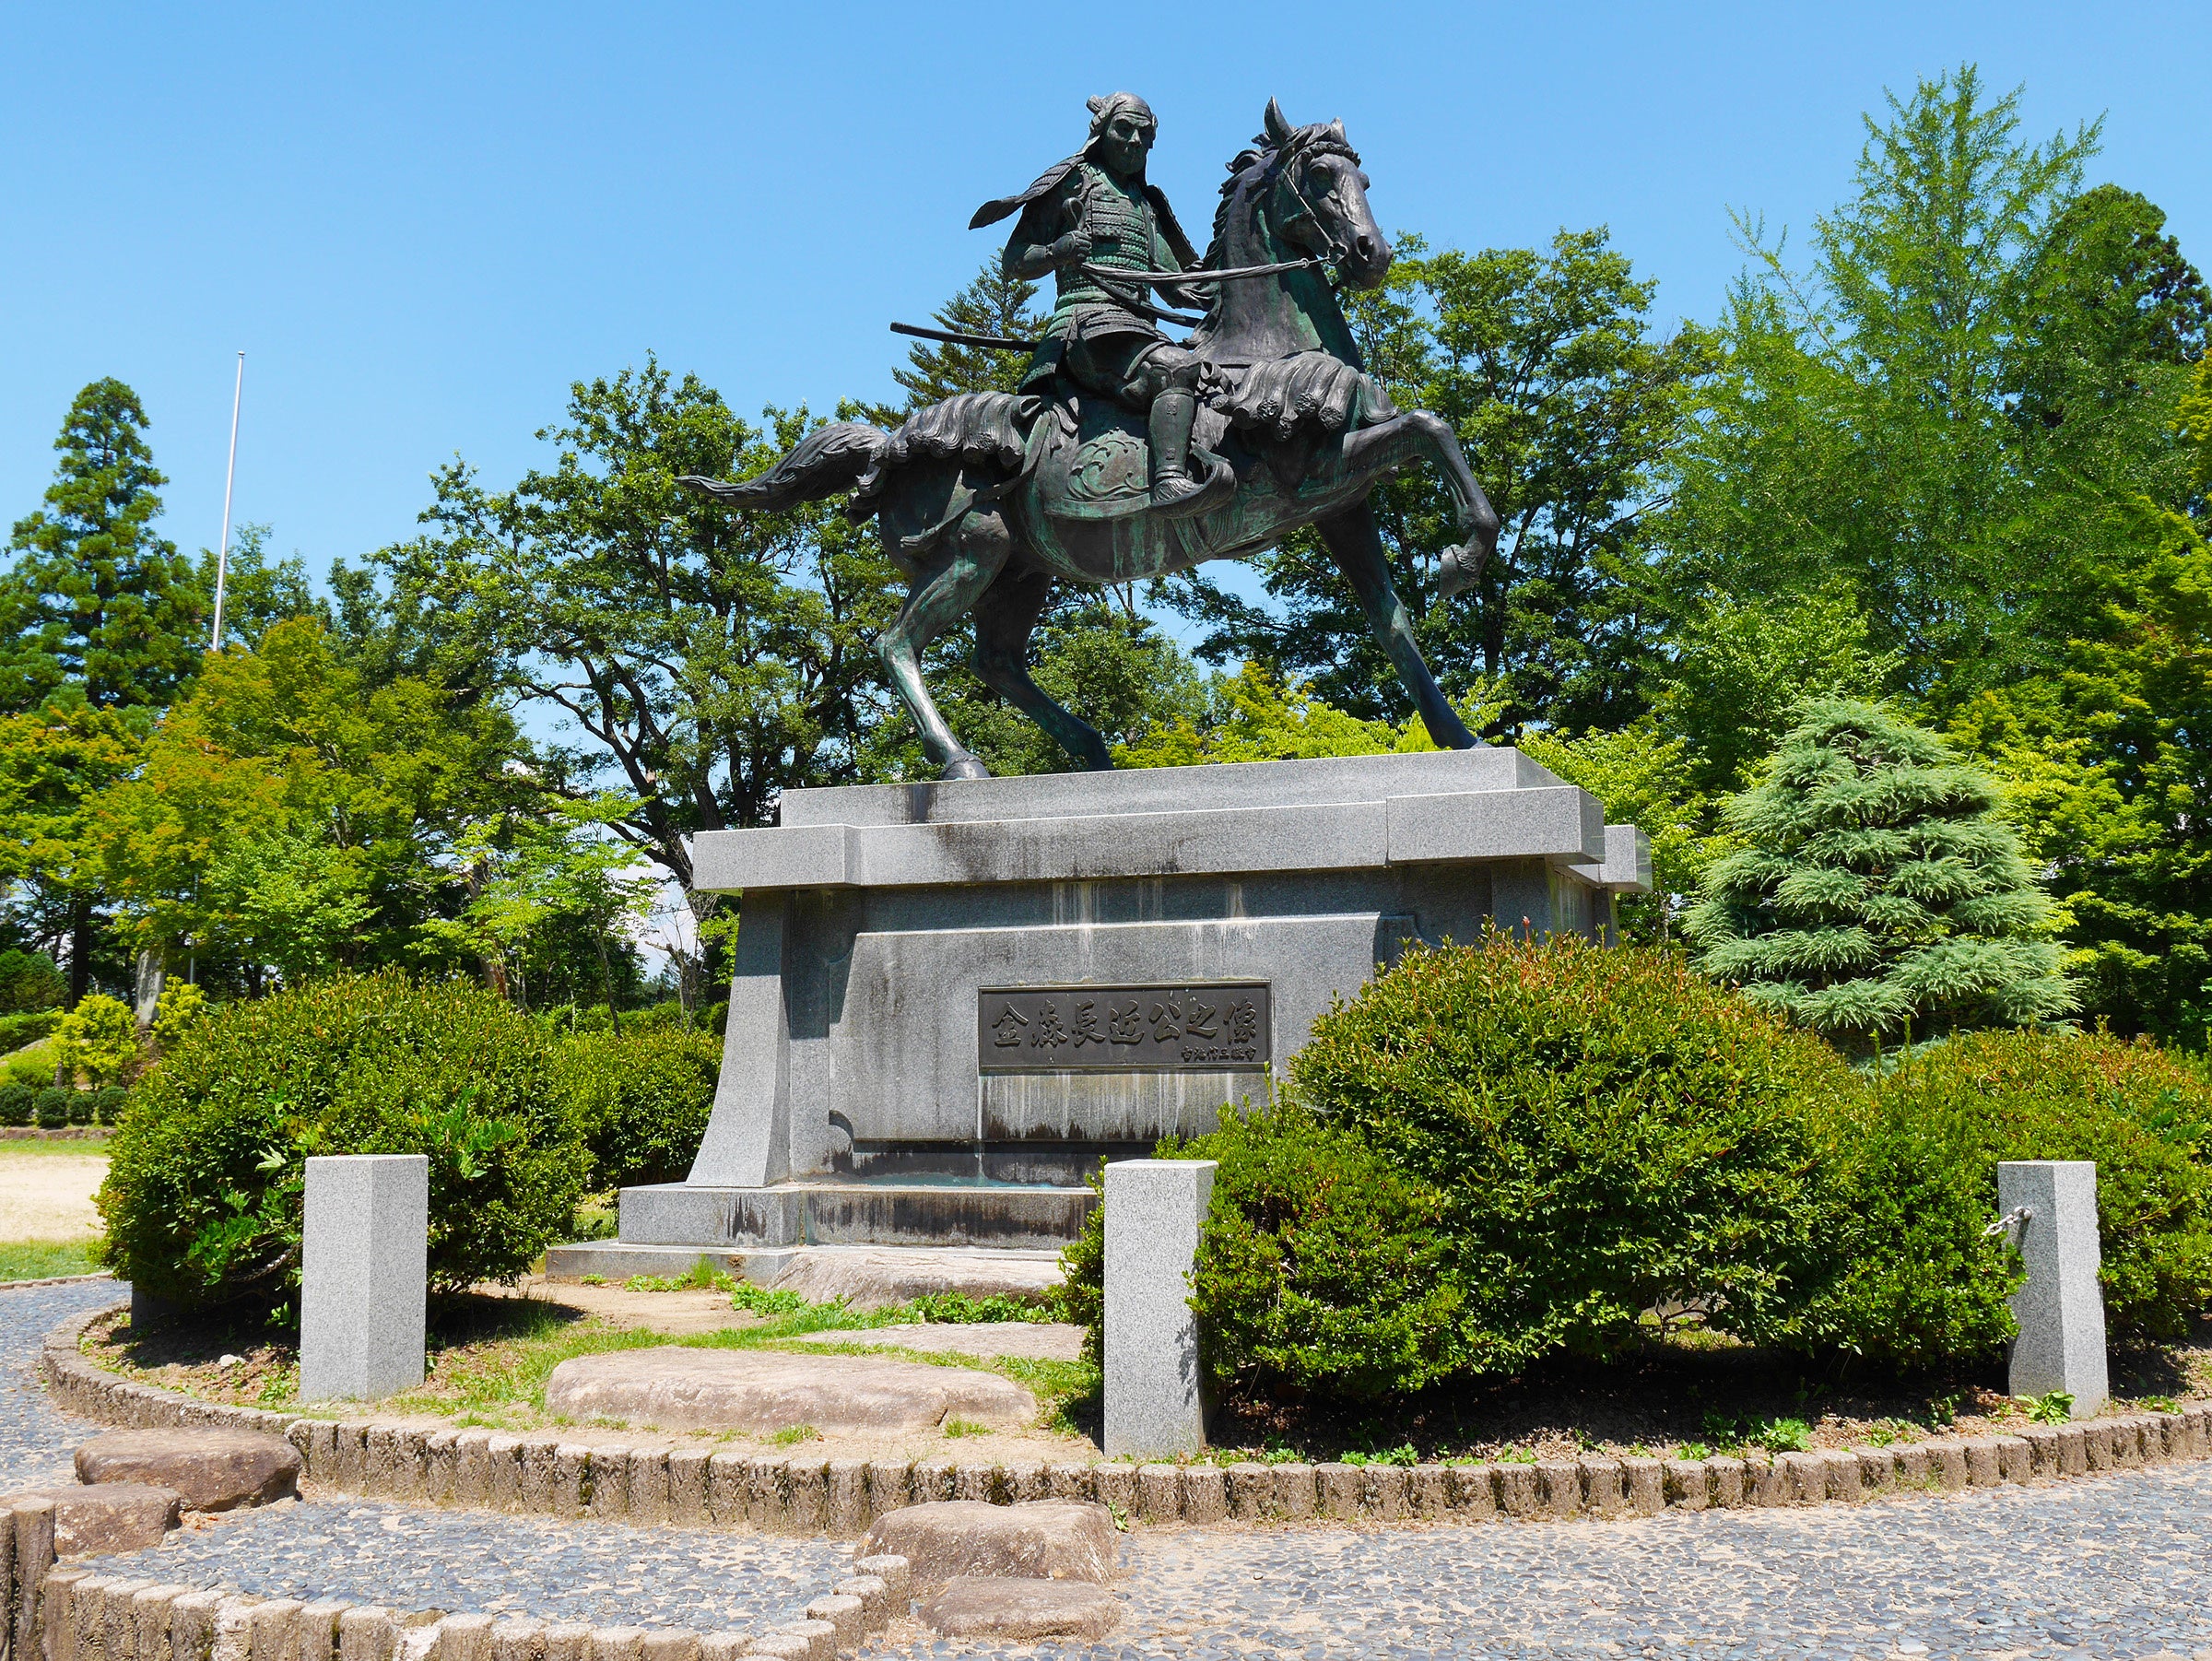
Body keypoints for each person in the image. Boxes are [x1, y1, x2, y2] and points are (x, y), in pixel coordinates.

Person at [970, 93, 1230, 516]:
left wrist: (1231, 285)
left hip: (1137, 331)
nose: (1133, 141)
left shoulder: (1146, 203)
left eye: (1144, 134)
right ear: (1102, 130)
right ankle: (1168, 482)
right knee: (1176, 368)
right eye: (1123, 129)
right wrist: (1059, 250)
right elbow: (1014, 261)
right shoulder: (1072, 182)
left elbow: (1173, 285)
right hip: (1086, 325)